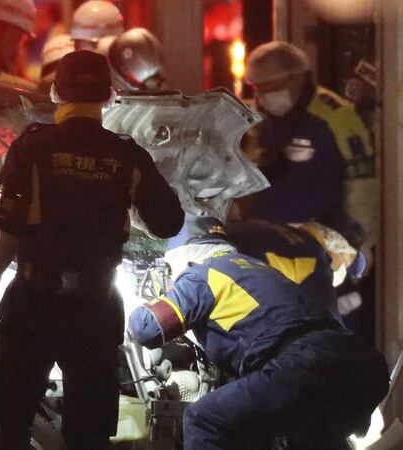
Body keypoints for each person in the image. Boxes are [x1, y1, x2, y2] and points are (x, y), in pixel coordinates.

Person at [0, 50, 184, 450]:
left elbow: (1, 230)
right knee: (89, 435)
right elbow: (169, 223)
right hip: (94, 308)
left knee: (13, 426)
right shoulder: (126, 156)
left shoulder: (33, 149)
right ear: (109, 97)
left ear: (56, 93)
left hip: (33, 305)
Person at [129, 215, 388, 450]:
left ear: (183, 254)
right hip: (360, 365)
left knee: (203, 420)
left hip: (304, 366)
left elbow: (145, 328)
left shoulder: (204, 273)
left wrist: (150, 298)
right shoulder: (256, 267)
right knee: (306, 438)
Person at [244, 41, 378, 250]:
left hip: (324, 247)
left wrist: (357, 246)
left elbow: (363, 185)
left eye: (273, 85)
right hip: (267, 243)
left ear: (297, 77)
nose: (266, 93)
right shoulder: (260, 121)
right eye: (259, 87)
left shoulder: (336, 117)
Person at [224, 219, 363, 321]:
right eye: (346, 261)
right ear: (337, 243)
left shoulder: (282, 228)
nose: (343, 270)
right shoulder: (314, 264)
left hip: (216, 252)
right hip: (225, 283)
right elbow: (326, 323)